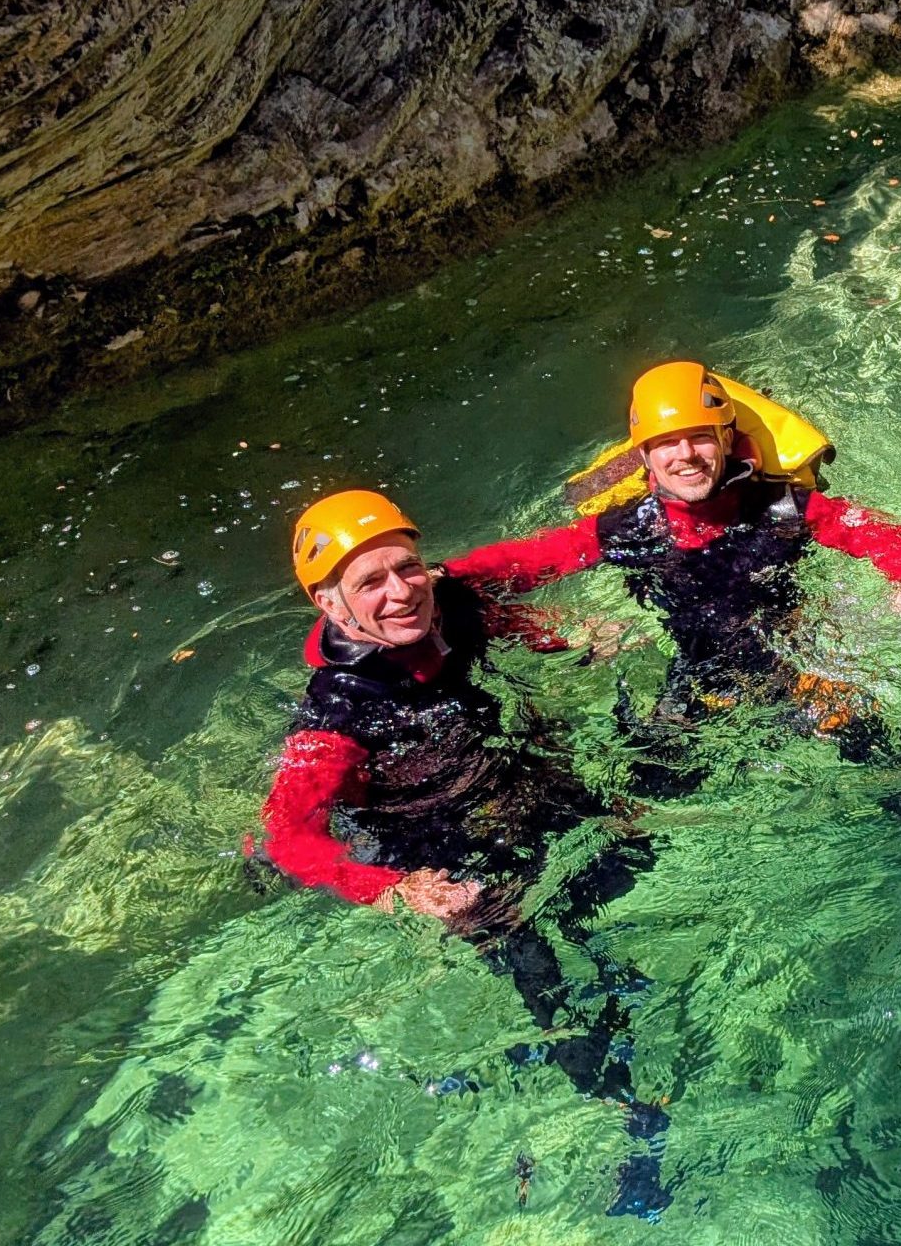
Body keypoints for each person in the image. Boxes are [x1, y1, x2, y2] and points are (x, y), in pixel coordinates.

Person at [251, 489, 672, 1214]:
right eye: (371, 583)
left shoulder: (454, 599)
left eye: (406, 568)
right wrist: (396, 888)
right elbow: (289, 836)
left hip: (519, 783)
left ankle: (627, 997)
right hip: (439, 846)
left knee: (638, 846)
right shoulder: (336, 716)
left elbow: (540, 562)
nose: (401, 592)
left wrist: (576, 632)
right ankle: (623, 1121)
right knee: (539, 970)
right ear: (330, 604)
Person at [444, 362, 901, 762]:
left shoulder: (782, 508)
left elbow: (881, 534)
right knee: (650, 772)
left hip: (798, 663)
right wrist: (446, 574)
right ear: (643, 455)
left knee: (872, 750)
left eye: (700, 436)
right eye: (666, 442)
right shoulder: (628, 527)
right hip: (696, 677)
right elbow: (533, 558)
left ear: (727, 440)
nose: (685, 454)